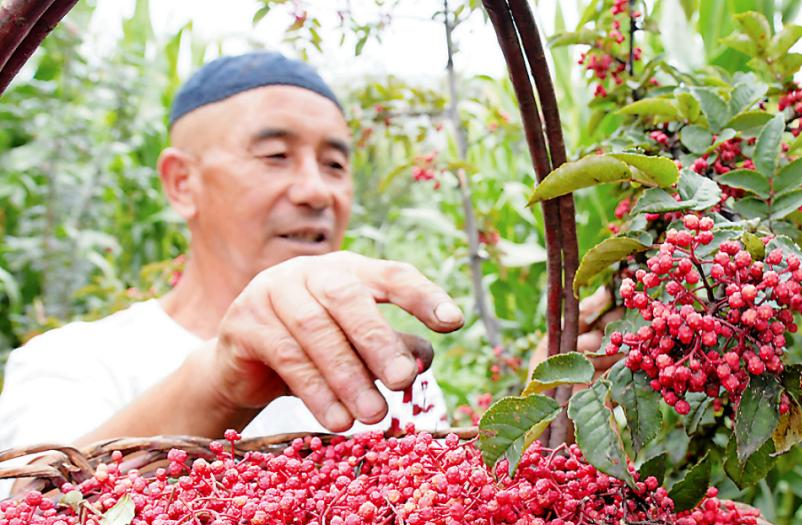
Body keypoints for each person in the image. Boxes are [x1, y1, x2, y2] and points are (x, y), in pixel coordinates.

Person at [0, 52, 465, 476]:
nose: (316, 191)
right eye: (276, 156)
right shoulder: (72, 363)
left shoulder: (390, 373)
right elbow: (34, 519)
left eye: (335, 165)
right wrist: (220, 383)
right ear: (182, 182)